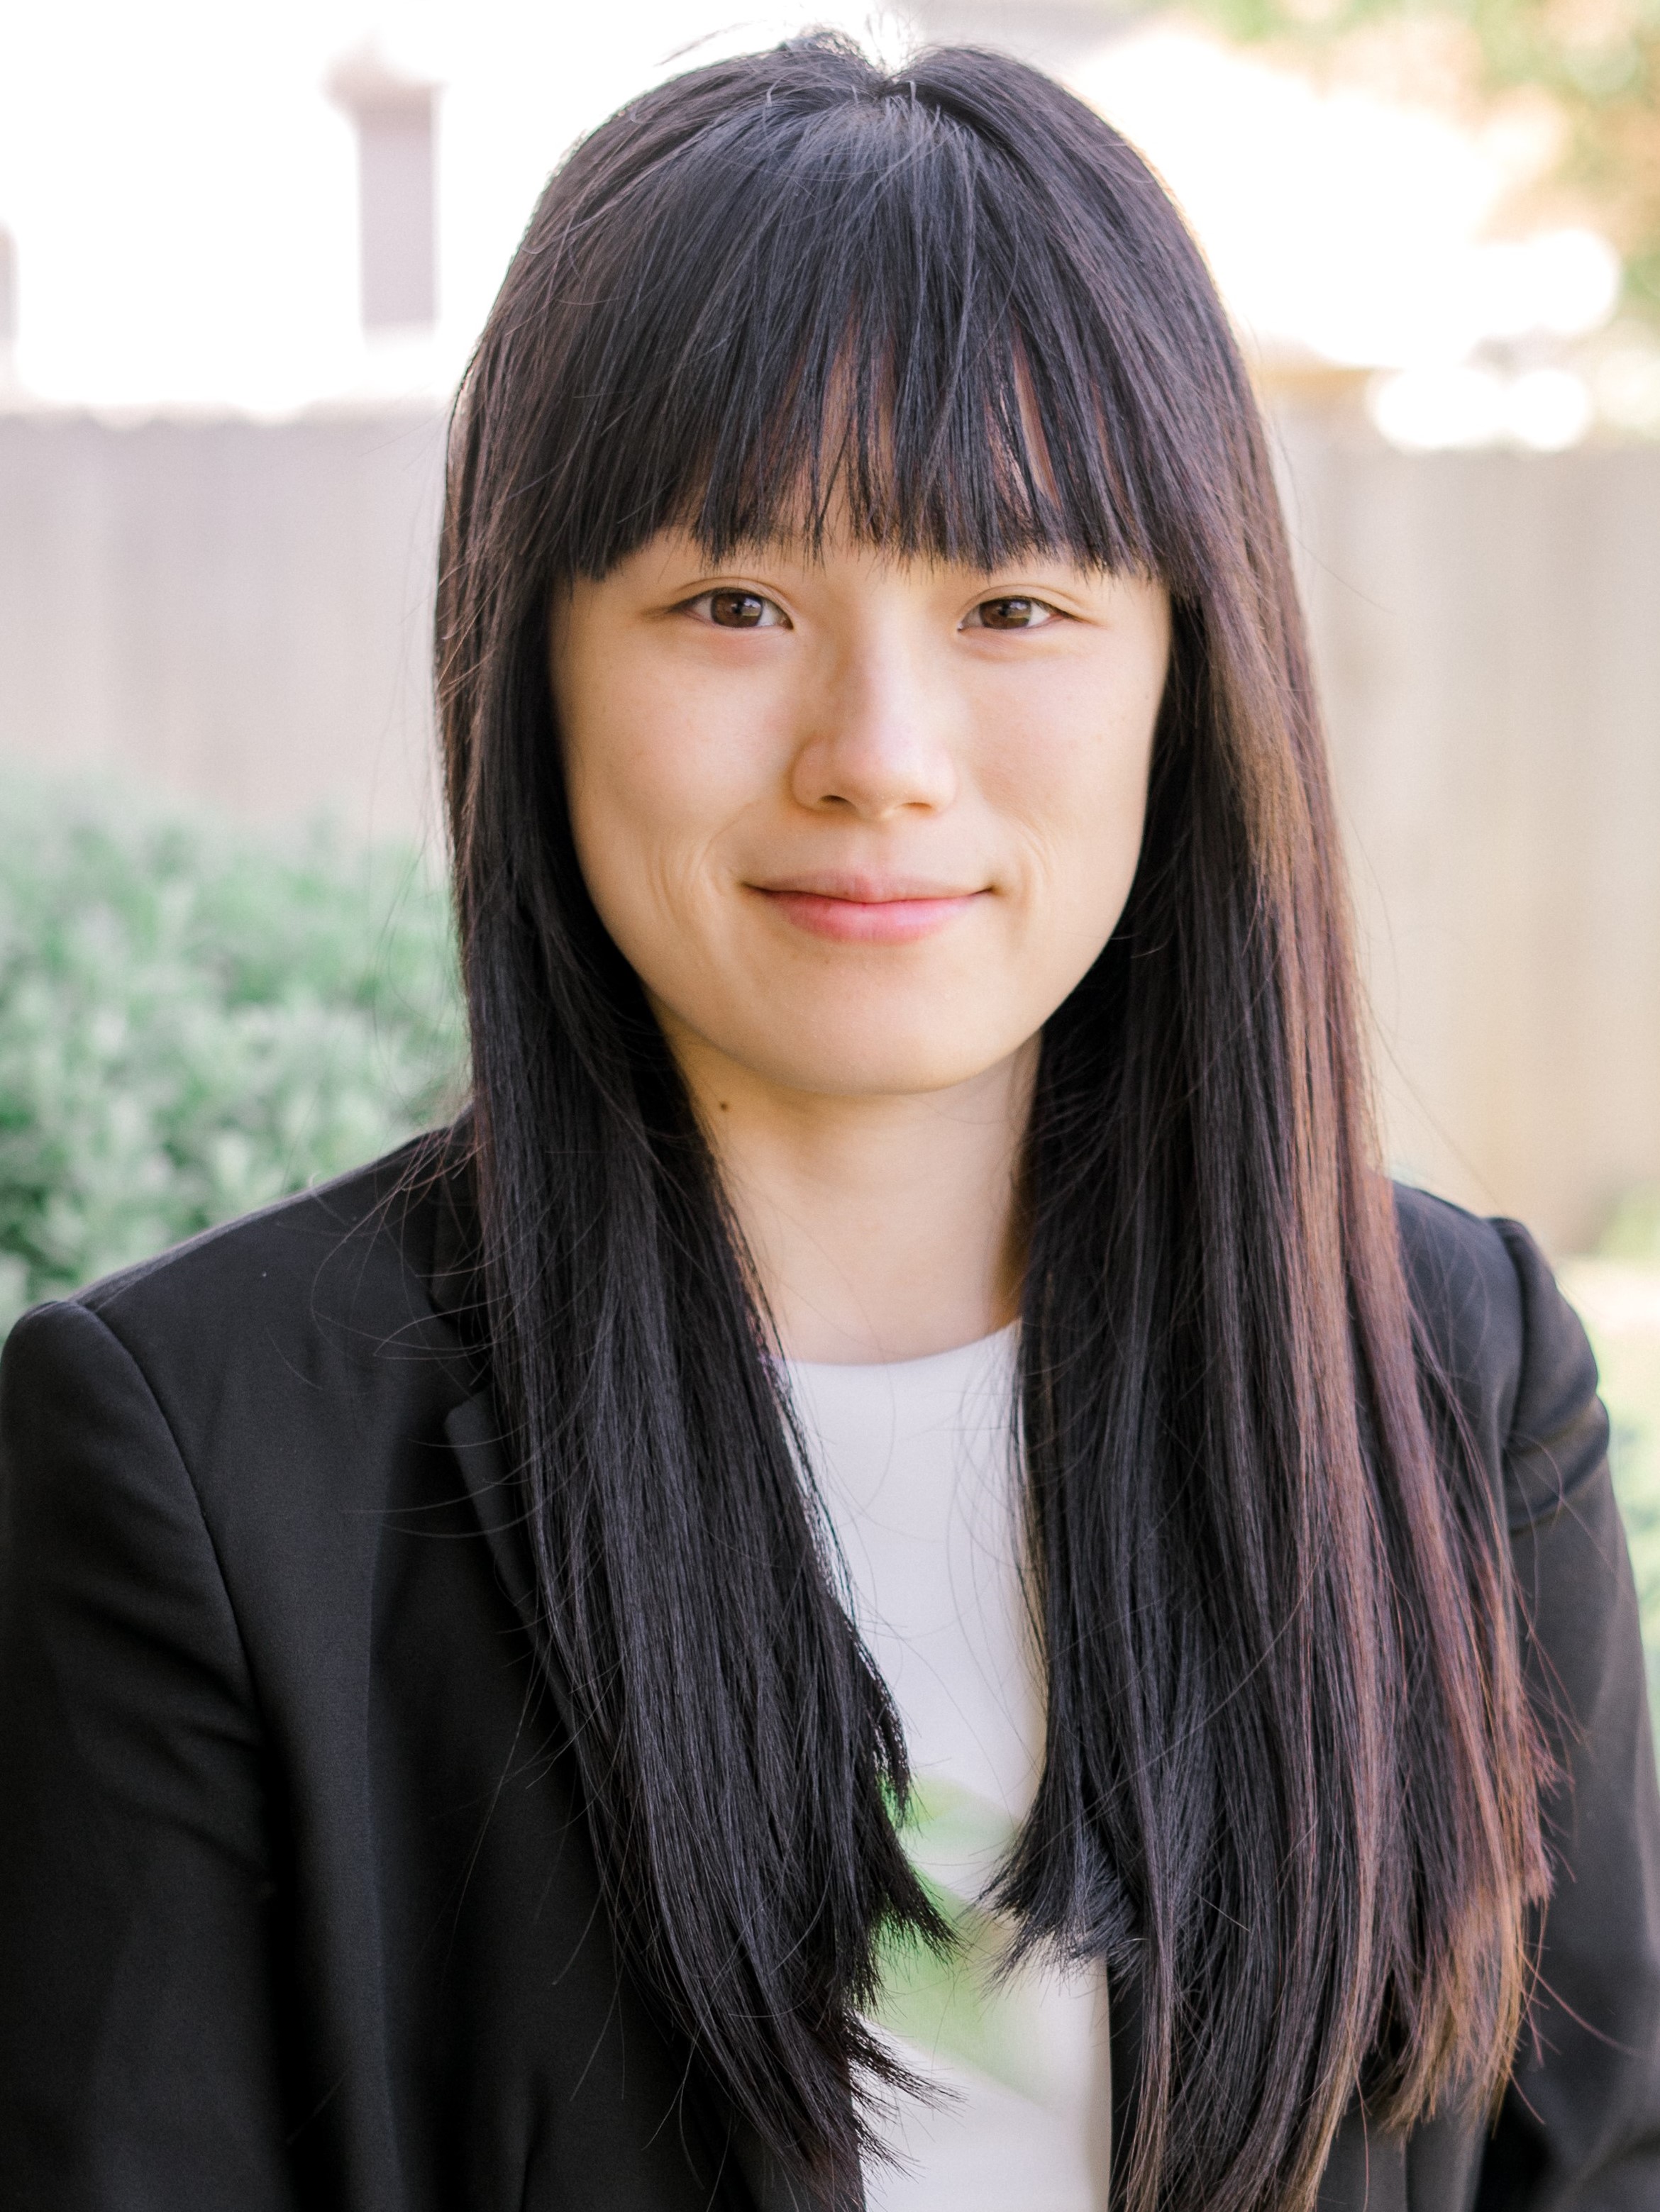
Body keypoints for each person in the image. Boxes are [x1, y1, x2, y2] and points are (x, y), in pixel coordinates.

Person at [1, 35, 1656, 2212]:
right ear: (534, 658)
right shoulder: (201, 1464)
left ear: (1186, 673)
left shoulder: (1447, 1374)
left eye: (1012, 606)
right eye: (735, 605)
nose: (878, 751)